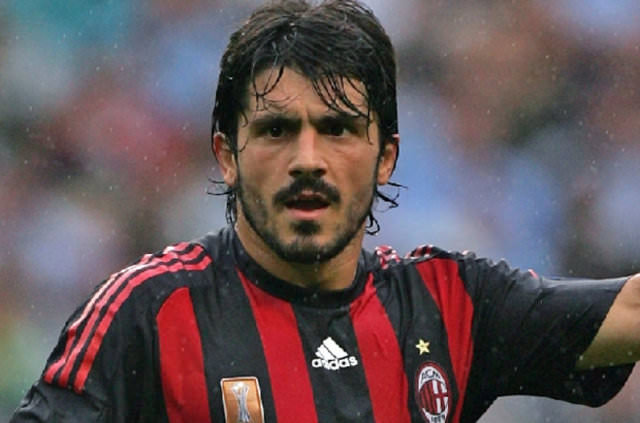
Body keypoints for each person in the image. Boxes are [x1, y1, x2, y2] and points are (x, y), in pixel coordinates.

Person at [11, 0, 640, 422]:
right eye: (277, 130)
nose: (307, 160)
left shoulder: (449, 303)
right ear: (227, 155)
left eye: (337, 129)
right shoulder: (146, 311)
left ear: (386, 157)